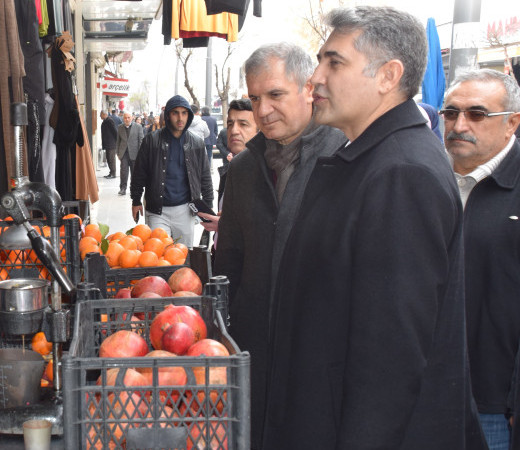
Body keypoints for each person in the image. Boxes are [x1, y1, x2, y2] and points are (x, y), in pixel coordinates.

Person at [263, 7, 486, 449]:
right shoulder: (371, 158)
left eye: (334, 62)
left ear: (388, 76)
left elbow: (390, 361)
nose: (316, 78)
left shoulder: (402, 172)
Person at [208, 44, 347, 447]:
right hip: (254, 354)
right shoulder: (245, 168)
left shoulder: (342, 158)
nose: (262, 109)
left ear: (309, 88)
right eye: (254, 98)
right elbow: (229, 258)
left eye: (275, 95)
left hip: (318, 358)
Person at [441, 69, 520, 449]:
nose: (459, 125)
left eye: (476, 114)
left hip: (494, 402)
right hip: (425, 390)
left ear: (512, 123)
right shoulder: (424, 177)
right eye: (451, 113)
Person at [130, 95, 213, 246]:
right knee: (159, 255)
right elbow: (139, 173)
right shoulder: (151, 140)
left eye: (184, 113)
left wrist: (208, 205)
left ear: (189, 115)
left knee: (183, 257)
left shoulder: (197, 143)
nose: (180, 118)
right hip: (157, 210)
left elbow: (205, 176)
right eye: (175, 113)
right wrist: (136, 200)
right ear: (168, 115)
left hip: (185, 210)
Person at [197, 97, 258, 232]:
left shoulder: (266, 174)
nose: (234, 130)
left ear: (259, 130)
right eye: (230, 124)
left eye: (243, 124)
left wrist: (227, 227)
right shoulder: (231, 170)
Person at [116, 111, 144, 196]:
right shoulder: (120, 127)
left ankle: (133, 189)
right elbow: (118, 141)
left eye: (128, 117)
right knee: (123, 172)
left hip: (135, 153)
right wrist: (118, 153)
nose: (127, 119)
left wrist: (140, 154)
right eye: (125, 117)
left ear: (132, 118)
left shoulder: (138, 127)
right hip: (124, 153)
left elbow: (141, 140)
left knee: (134, 173)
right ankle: (123, 188)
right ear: (123, 118)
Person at [100, 110, 118, 179]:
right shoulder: (105, 121)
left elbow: (115, 131)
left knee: (111, 159)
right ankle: (111, 172)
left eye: (101, 114)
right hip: (108, 144)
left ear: (104, 114)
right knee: (108, 158)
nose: (100, 116)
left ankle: (113, 173)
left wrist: (116, 142)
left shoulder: (109, 121)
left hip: (111, 144)